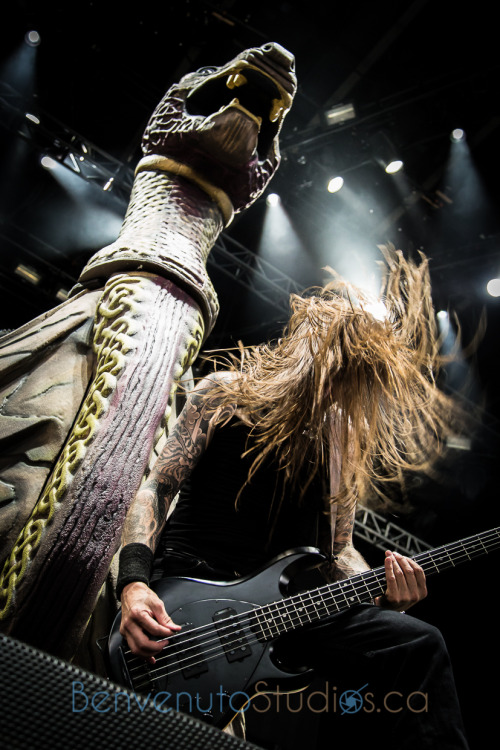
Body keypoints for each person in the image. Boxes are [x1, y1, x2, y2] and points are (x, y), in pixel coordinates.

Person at [116, 247, 469, 748]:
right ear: (310, 351)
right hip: (192, 592)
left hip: (279, 609)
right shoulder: (224, 393)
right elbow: (157, 487)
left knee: (414, 643)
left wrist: (385, 592)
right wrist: (133, 584)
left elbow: (338, 552)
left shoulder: (340, 442)